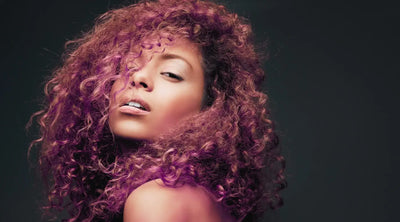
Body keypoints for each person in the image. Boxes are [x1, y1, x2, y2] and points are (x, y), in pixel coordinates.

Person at [29, 0, 286, 221]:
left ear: (211, 107)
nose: (138, 78)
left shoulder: (156, 199)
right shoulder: (202, 198)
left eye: (171, 74)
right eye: (128, 66)